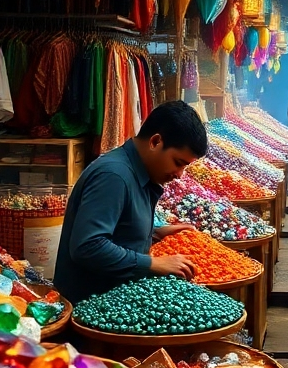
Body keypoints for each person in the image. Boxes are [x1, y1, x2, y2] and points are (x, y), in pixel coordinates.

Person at [54, 100, 208, 302]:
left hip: (118, 299)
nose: (180, 175)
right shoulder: (114, 176)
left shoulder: (141, 173)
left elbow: (117, 228)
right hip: (93, 307)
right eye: (178, 163)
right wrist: (152, 264)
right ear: (155, 142)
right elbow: (88, 246)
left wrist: (153, 232)